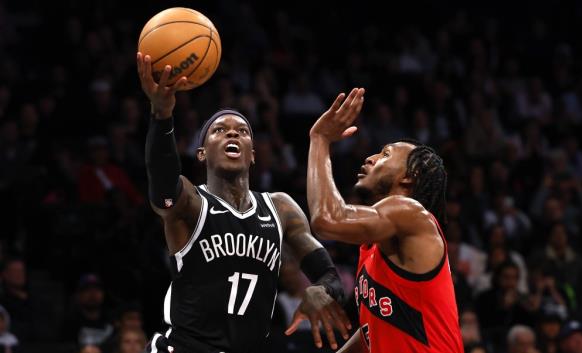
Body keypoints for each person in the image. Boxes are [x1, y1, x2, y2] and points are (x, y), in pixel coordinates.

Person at [136, 53, 350, 353]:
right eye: (219, 130)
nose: (233, 132)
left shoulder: (281, 209)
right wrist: (161, 116)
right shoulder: (192, 203)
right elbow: (162, 187)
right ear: (202, 154)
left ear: (251, 154)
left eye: (243, 130)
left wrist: (321, 290)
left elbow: (331, 277)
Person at [300, 87, 463, 352]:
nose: (370, 158)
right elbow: (370, 335)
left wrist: (319, 139)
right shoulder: (373, 245)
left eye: (385, 155)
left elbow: (326, 219)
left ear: (410, 176)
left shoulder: (411, 213)